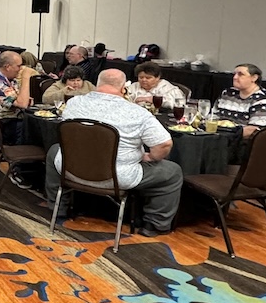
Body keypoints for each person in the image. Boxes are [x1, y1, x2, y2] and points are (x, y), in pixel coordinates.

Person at [44, 68, 183, 237]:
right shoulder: (138, 113)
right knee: (172, 171)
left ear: (96, 84)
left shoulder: (73, 103)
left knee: (54, 151)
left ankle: (58, 208)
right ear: (124, 88)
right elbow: (164, 144)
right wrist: (150, 157)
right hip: (118, 177)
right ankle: (154, 224)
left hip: (72, 171)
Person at [213, 63, 266, 137]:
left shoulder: (265, 101)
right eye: (234, 74)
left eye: (240, 74)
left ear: (254, 78)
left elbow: (257, 132)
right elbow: (213, 116)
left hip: (245, 143)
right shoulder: (228, 93)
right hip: (220, 137)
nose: (235, 77)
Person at [0, 50, 36, 143]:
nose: (21, 69)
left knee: (33, 123)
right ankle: (24, 155)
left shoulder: (8, 79)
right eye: (19, 66)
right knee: (32, 128)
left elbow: (23, 100)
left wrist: (24, 100)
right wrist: (26, 77)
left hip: (9, 119)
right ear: (8, 67)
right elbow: (22, 104)